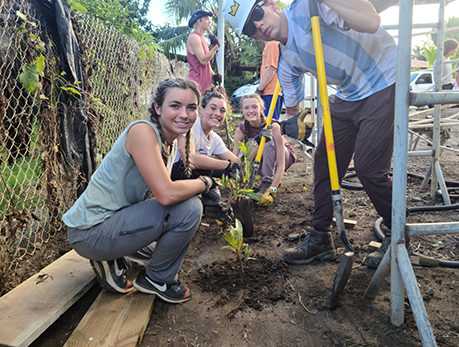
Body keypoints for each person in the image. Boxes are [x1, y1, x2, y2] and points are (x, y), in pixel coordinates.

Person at [223, 0, 398, 268]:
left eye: (256, 15)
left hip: (383, 76)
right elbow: (296, 112)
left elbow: (371, 20)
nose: (258, 26)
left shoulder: (308, 5)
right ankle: (321, 237)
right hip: (348, 94)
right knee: (324, 161)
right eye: (249, 28)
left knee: (369, 167)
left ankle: (398, 235)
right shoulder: (286, 62)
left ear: (270, 4)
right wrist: (294, 124)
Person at [62, 77, 215, 304]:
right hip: (90, 233)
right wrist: (205, 184)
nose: (184, 114)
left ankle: (114, 256)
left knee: (163, 251)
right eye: (175, 106)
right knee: (190, 207)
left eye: (191, 107)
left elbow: (155, 197)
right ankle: (155, 280)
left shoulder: (168, 142)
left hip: (112, 222)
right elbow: (166, 194)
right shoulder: (143, 131)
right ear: (157, 107)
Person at [171, 86, 243, 216]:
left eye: (222, 111)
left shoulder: (214, 139)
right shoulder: (189, 127)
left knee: (226, 168)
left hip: (189, 177)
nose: (217, 114)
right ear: (201, 109)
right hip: (173, 176)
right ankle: (203, 198)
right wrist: (227, 166)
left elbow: (237, 162)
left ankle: (207, 206)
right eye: (213, 108)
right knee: (210, 168)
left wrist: (256, 144)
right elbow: (190, 159)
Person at [232, 93, 296, 207]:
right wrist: (234, 187)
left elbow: (281, 164)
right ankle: (247, 183)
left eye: (254, 107)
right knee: (244, 150)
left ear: (261, 109)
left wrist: (272, 190)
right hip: (260, 160)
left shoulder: (273, 126)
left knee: (266, 141)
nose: (250, 111)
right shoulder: (241, 130)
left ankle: (267, 182)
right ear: (242, 111)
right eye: (246, 108)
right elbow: (234, 162)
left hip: (281, 158)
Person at [186, 9, 220, 94]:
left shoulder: (203, 40)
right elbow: (203, 61)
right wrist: (216, 47)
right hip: (196, 85)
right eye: (206, 19)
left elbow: (206, 65)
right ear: (198, 20)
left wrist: (213, 75)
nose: (209, 22)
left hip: (205, 86)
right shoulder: (194, 37)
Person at [257, 41, 283, 120]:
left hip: (271, 91)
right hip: (272, 91)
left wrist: (259, 89)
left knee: (269, 123)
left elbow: (271, 69)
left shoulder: (272, 44)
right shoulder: (271, 44)